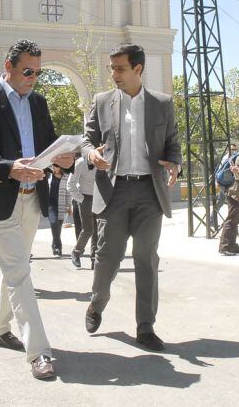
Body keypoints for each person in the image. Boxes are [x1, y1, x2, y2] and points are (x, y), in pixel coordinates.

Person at [0, 39, 74, 380]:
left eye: (38, 73)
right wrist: (9, 166)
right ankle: (39, 351)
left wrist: (62, 161)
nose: (33, 78)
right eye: (28, 71)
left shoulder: (39, 102)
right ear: (8, 66)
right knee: (20, 274)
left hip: (31, 198)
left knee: (15, 271)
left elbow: (49, 145)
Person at [81, 43, 181, 352]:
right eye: (111, 68)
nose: (113, 74)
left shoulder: (162, 103)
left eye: (120, 68)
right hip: (114, 190)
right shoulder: (101, 102)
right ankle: (97, 303)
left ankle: (145, 327)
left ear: (138, 69)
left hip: (150, 191)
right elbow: (86, 139)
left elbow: (172, 141)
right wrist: (90, 154)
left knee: (146, 259)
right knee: (107, 257)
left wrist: (175, 162)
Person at [66, 155, 97, 269]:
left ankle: (95, 259)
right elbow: (70, 184)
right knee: (88, 230)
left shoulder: (102, 160)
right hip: (85, 198)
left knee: (98, 231)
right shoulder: (80, 163)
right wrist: (81, 199)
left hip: (99, 198)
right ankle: (76, 252)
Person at [210, 143, 239, 230]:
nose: (234, 151)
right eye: (232, 149)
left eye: (235, 149)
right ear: (228, 150)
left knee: (225, 202)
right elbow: (220, 170)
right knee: (231, 202)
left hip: (227, 183)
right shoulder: (227, 158)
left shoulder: (233, 157)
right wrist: (217, 181)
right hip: (224, 183)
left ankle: (212, 219)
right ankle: (213, 220)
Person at [47, 165, 70, 257]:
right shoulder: (49, 175)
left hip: (61, 205)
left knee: (58, 228)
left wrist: (69, 206)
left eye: (56, 166)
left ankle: (54, 246)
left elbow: (68, 192)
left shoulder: (66, 177)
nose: (53, 168)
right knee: (54, 223)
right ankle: (58, 247)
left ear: (60, 167)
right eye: (53, 166)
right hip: (50, 205)